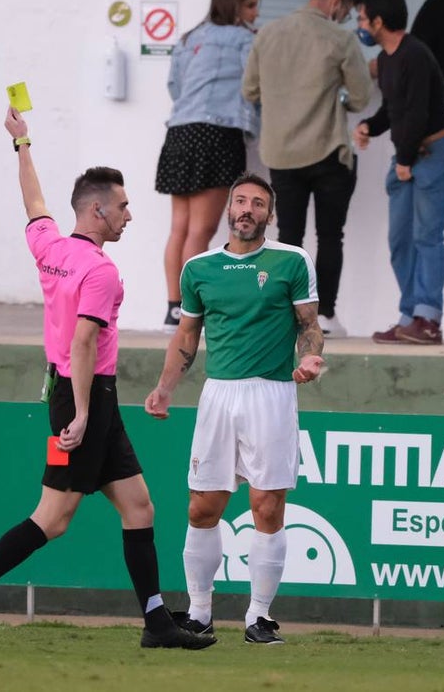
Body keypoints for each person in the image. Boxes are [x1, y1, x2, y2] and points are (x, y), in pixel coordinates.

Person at [0, 108, 212, 650]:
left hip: (84, 396)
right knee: (54, 518)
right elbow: (83, 343)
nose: (129, 215)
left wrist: (23, 144)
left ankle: (157, 625)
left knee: (139, 507)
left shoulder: (52, 248)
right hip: (82, 398)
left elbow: (34, 203)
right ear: (98, 210)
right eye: (124, 206)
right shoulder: (102, 271)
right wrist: (83, 413)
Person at [144, 172, 324, 646]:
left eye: (258, 204)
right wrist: (165, 388)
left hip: (272, 393)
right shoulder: (199, 268)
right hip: (219, 396)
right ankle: (200, 613)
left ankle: (258, 617)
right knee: (203, 507)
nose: (247, 210)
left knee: (267, 505)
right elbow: (186, 335)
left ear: (270, 213)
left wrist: (309, 356)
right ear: (228, 209)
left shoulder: (292, 261)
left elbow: (309, 324)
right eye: (240, 201)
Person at [242, 0, 371, 338]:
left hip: (281, 153)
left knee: (288, 237)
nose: (344, 17)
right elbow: (361, 98)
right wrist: (337, 97)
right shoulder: (340, 38)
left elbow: (249, 89)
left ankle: (287, 315)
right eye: (344, 10)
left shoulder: (267, 35)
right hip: (328, 150)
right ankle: (326, 315)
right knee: (331, 235)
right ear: (336, 3)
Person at [352, 0, 444, 346]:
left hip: (431, 153)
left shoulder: (415, 54)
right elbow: (393, 111)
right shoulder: (386, 59)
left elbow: (416, 112)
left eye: (362, 18)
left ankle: (428, 319)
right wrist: (370, 126)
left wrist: (406, 160)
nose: (360, 25)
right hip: (407, 156)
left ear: (379, 21)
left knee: (428, 237)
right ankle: (408, 315)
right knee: (401, 240)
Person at [156, 0, 262, 333]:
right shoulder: (246, 41)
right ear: (234, 6)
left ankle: (174, 308)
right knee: (202, 230)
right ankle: (192, 309)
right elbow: (255, 84)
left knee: (180, 228)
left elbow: (175, 86)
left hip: (180, 132)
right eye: (250, 5)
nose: (255, 12)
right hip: (218, 132)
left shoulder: (188, 39)